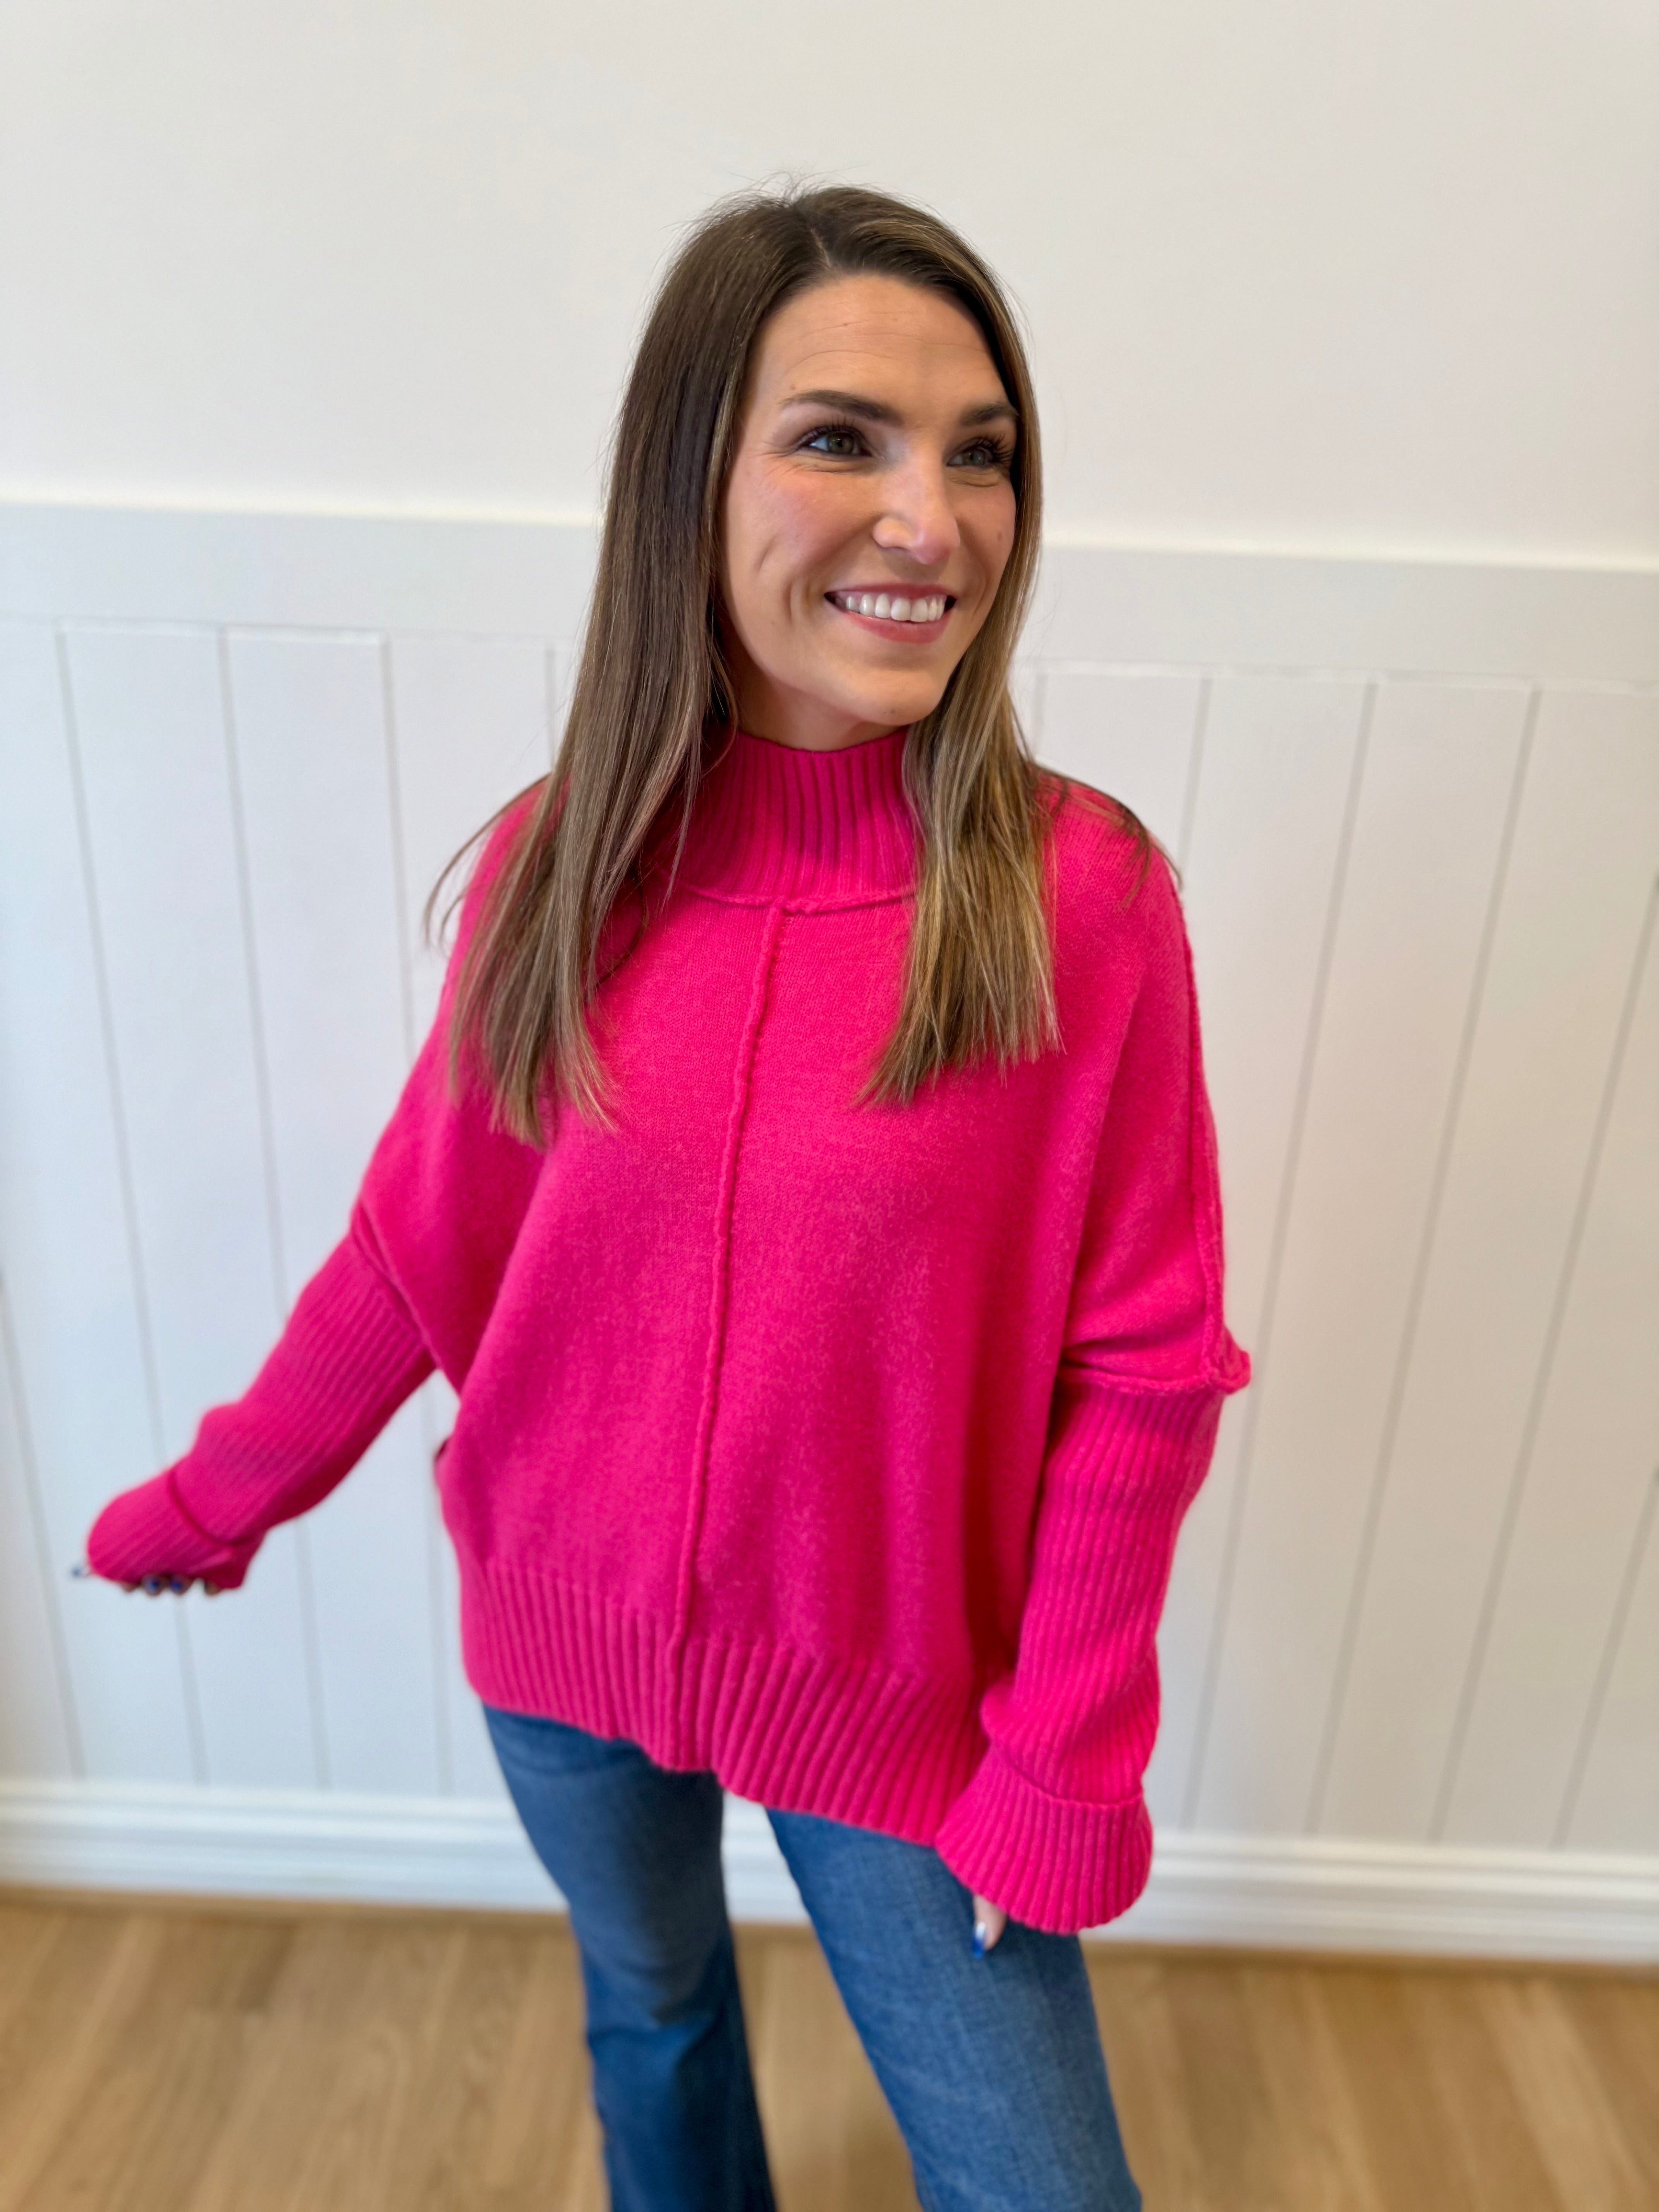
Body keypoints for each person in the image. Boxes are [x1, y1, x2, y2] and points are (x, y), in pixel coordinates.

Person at [86, 181, 1250, 2212]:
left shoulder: (1079, 900)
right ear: (687, 482)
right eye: (843, 439)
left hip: (904, 1700)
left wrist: (1065, 1759)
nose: (934, 521)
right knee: (656, 2015)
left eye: (981, 454)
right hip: (562, 1640)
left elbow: (1142, 1372)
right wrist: (222, 1493)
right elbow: (419, 1248)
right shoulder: (564, 867)